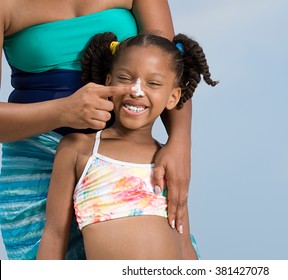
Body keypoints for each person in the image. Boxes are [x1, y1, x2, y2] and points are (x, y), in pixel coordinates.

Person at [0, 0, 193, 260]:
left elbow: (170, 65)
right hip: (34, 164)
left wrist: (180, 143)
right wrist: (63, 111)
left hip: (121, 157)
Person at [37, 32, 217, 259]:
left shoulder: (168, 161)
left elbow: (183, 241)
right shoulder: (78, 150)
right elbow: (54, 235)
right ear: (108, 82)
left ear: (173, 97)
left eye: (153, 83)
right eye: (125, 78)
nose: (136, 90)